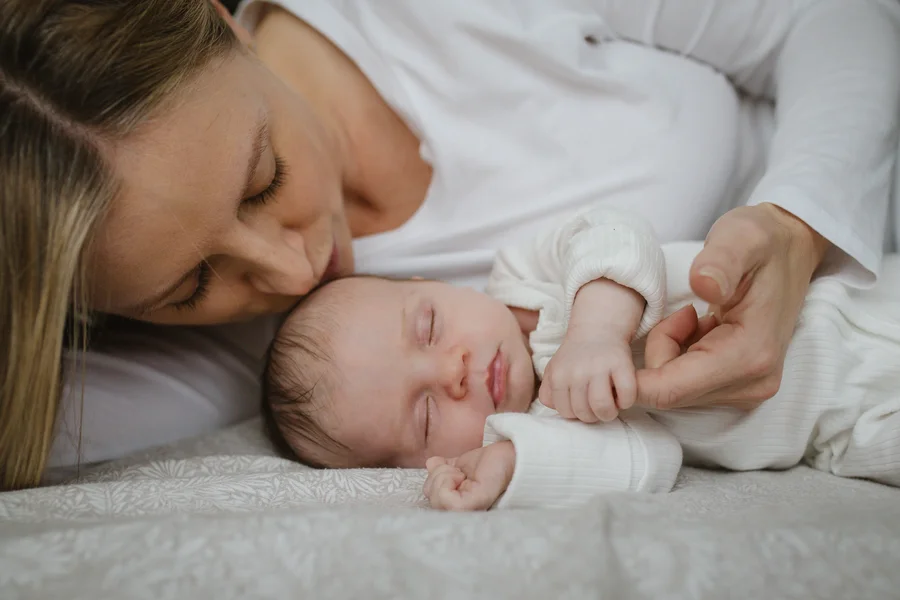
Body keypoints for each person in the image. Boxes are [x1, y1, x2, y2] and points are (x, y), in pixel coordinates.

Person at [1, 0, 898, 491]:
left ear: (223, 20)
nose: (289, 271)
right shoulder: (246, 368)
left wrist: (798, 223)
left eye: (263, 177)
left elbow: (830, 18)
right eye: (191, 282)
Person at [262, 207, 900, 510]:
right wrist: (515, 463)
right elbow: (649, 458)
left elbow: (618, 233)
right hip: (844, 431)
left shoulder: (527, 277)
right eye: (426, 414)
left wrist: (595, 330)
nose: (450, 371)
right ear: (427, 459)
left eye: (428, 327)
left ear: (435, 284)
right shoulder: (537, 429)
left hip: (846, 297)